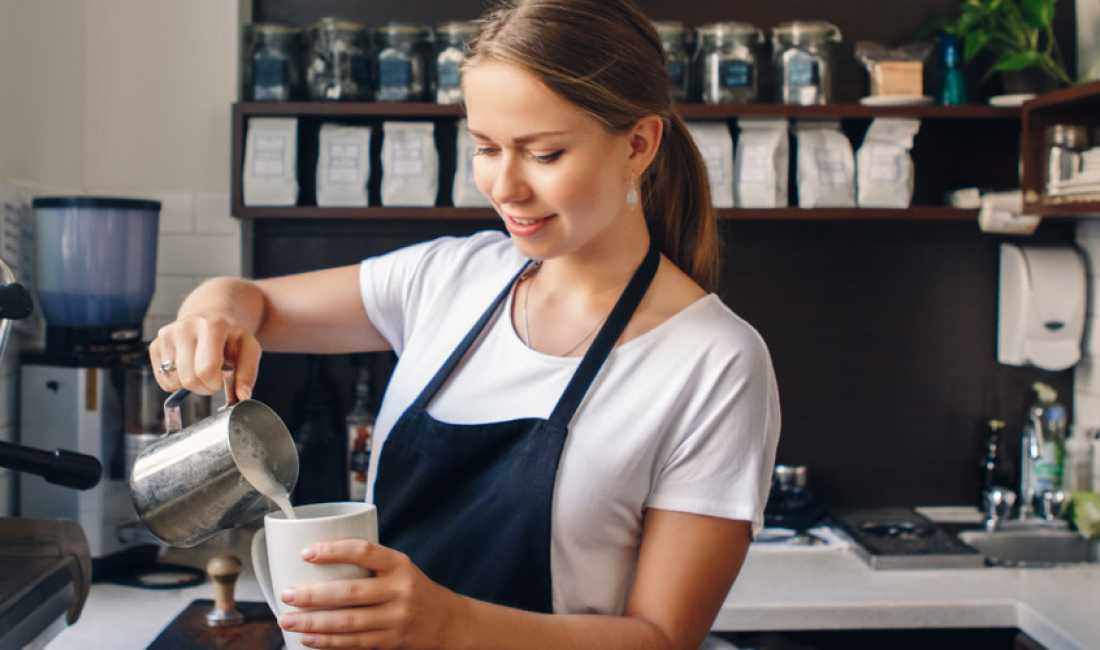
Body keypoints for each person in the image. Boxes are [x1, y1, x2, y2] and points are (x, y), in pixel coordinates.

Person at [150, 0, 780, 647]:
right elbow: (252, 301)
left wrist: (449, 624)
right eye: (484, 147)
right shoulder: (450, 278)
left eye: (544, 154)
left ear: (639, 144)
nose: (504, 186)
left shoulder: (714, 360)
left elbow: (663, 637)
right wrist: (210, 317)